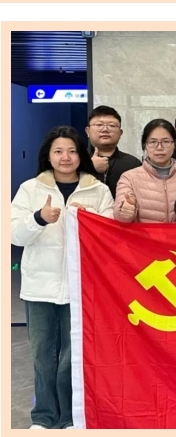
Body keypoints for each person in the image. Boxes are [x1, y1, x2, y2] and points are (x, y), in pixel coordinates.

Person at [11, 126, 113, 430]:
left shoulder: (98, 191)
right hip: (39, 287)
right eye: (58, 151)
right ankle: (43, 417)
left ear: (81, 155)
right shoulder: (30, 189)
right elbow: (14, 235)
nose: (65, 157)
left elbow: (110, 237)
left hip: (81, 287)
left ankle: (71, 417)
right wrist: (39, 218)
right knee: (42, 355)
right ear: (48, 155)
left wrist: (90, 220)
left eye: (71, 151)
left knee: (73, 357)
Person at [114, 119, 176, 223]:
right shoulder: (129, 178)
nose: (159, 147)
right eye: (152, 142)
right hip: (144, 234)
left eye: (166, 141)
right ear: (145, 145)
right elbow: (119, 217)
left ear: (174, 144)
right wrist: (125, 211)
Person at [85, 105, 142, 198]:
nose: (105, 130)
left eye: (111, 125)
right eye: (99, 125)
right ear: (88, 131)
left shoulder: (133, 164)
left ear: (120, 133)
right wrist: (90, 167)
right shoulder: (77, 160)